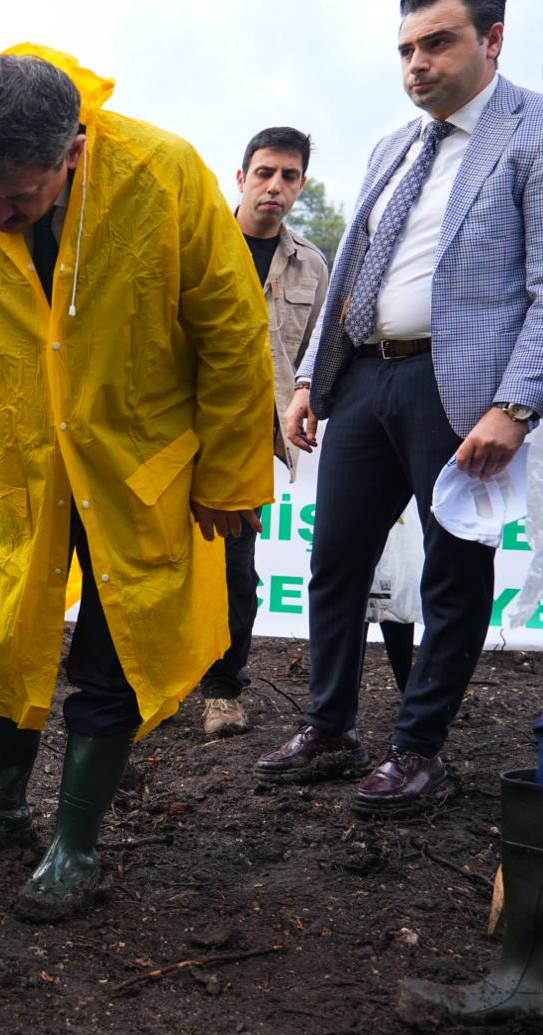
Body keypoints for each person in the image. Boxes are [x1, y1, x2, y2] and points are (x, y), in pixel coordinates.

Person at [0, 46, 273, 920]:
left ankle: (76, 843)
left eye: (19, 197)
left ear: (72, 152)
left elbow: (232, 328)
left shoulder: (163, 177)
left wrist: (230, 472)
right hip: (21, 474)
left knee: (112, 654)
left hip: (135, 473)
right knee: (5, 641)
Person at [258, 0, 543, 817]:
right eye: (407, 48)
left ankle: (418, 751)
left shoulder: (532, 134)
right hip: (366, 380)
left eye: (438, 43)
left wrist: (516, 404)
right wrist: (313, 378)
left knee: (453, 574)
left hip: (459, 392)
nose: (417, 63)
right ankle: (329, 727)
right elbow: (353, 270)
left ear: (492, 40)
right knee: (336, 561)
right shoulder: (395, 145)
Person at [199, 129, 331, 738]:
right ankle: (143, 687)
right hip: (180, 431)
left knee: (235, 566)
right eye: (265, 173)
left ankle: (223, 691)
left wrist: (302, 400)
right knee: (157, 560)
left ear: (300, 183)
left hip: (252, 440)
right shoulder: (198, 245)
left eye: (289, 176)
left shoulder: (312, 264)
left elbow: (312, 355)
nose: (275, 186)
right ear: (241, 177)